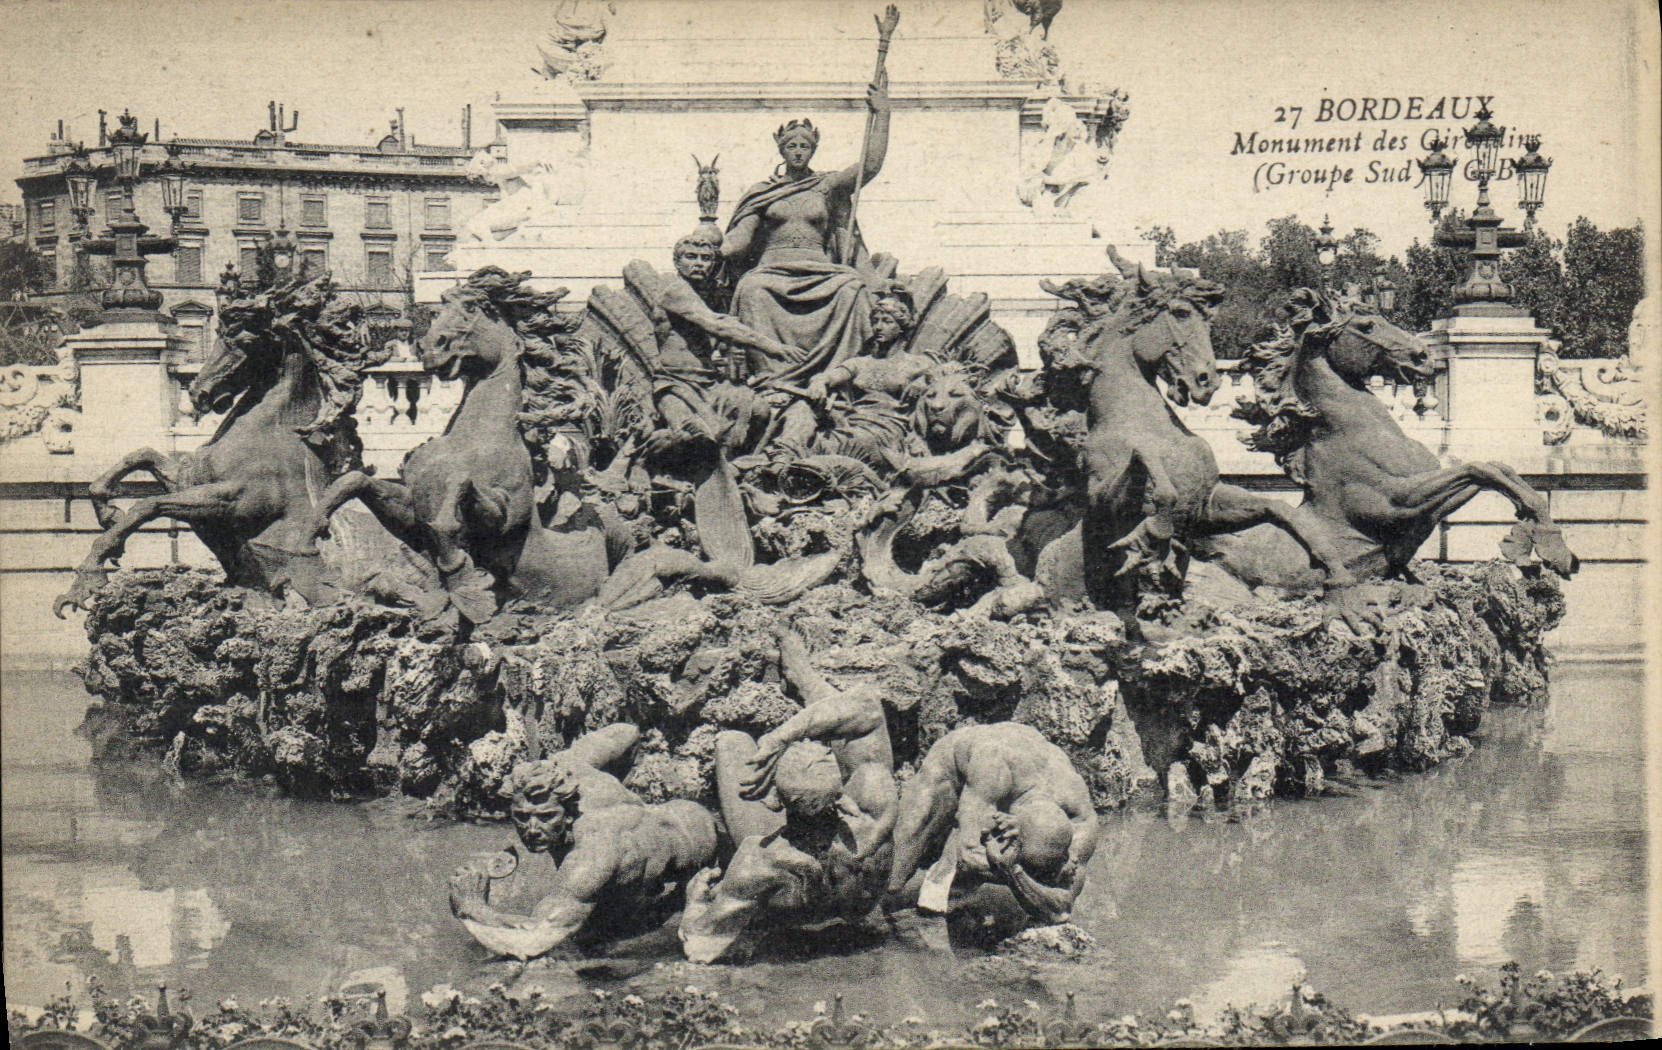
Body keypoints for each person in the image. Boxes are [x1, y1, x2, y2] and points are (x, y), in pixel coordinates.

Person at [679, 625, 899, 962]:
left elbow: (699, 946)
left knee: (733, 743)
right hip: (860, 910)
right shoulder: (875, 815)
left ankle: (798, 684)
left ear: (772, 801)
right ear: (845, 799)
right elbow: (867, 707)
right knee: (860, 747)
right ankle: (805, 679)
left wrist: (694, 905)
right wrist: (785, 736)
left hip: (792, 920)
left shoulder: (757, 862)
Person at [447, 724, 719, 959]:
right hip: (674, 815)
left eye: (546, 817)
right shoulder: (568, 769)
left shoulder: (591, 854)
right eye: (521, 816)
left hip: (703, 851)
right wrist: (627, 799)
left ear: (568, 814)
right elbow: (627, 733)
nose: (531, 829)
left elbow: (533, 941)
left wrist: (472, 906)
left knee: (582, 942)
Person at [720, 75, 892, 387]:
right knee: (751, 289)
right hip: (773, 268)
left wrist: (883, 113)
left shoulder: (826, 186)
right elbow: (741, 239)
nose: (798, 151)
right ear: (781, 149)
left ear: (813, 149)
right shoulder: (762, 192)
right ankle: (772, 377)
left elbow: (870, 166)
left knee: (851, 288)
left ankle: (838, 379)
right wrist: (717, 244)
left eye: (804, 146)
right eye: (791, 146)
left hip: (819, 268)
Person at [886, 722, 1098, 928]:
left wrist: (1013, 870)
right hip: (958, 763)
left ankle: (940, 909)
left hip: (1025, 768)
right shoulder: (993, 772)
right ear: (1006, 825)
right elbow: (967, 856)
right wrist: (1011, 871)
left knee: (955, 888)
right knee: (895, 870)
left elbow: (1061, 910)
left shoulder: (1082, 823)